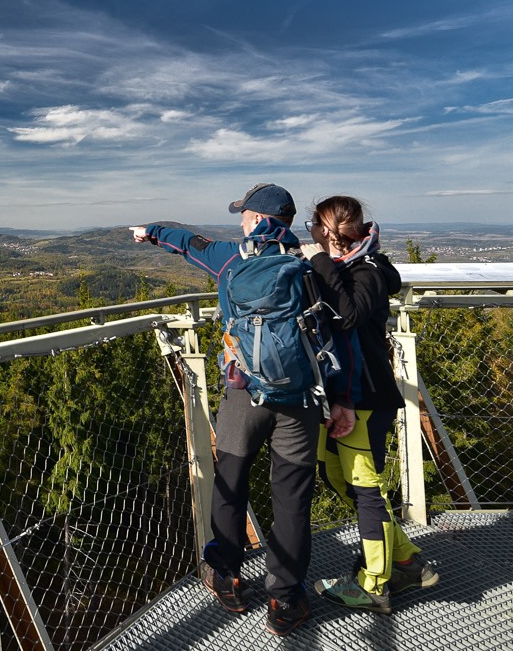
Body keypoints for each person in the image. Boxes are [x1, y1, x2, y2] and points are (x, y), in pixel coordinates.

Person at [132, 182, 358, 637]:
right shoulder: (312, 266)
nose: (240, 220)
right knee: (292, 499)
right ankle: (286, 596)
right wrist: (342, 398)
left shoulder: (232, 259)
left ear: (256, 219)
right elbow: (337, 338)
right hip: (300, 401)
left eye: (244, 214)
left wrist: (149, 231)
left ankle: (226, 574)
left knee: (230, 483)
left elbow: (188, 243)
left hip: (243, 394)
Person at [300, 195, 439, 613]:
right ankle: (406, 561)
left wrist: (320, 263)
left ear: (325, 231)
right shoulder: (352, 267)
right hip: (341, 394)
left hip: (365, 396)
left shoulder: (370, 268)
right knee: (337, 475)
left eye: (313, 227)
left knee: (365, 488)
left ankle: (375, 583)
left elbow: (348, 315)